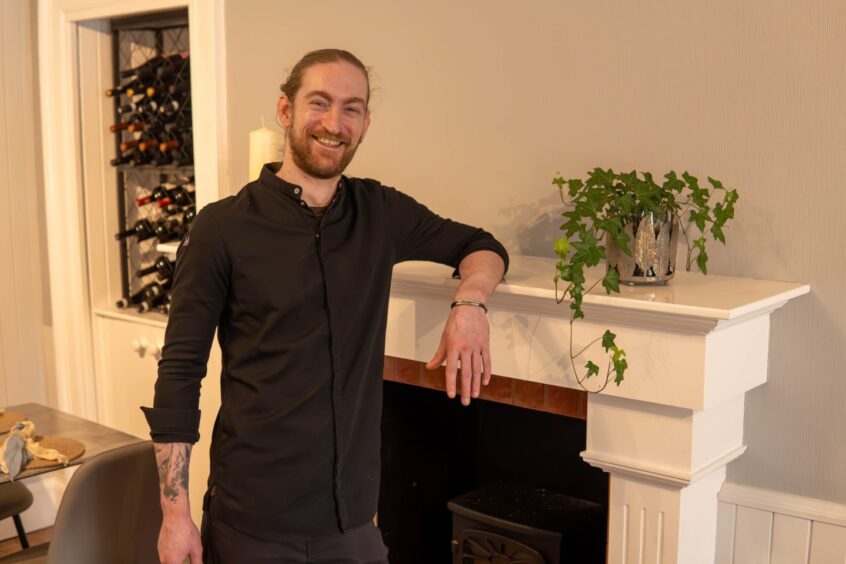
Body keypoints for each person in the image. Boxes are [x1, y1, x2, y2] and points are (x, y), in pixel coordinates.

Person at [142, 48, 508, 564]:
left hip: (352, 525)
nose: (334, 123)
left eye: (352, 108)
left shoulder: (380, 212)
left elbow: (483, 246)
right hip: (253, 524)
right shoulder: (220, 228)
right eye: (320, 103)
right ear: (286, 110)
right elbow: (179, 375)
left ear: (365, 123)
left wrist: (470, 304)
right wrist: (174, 517)